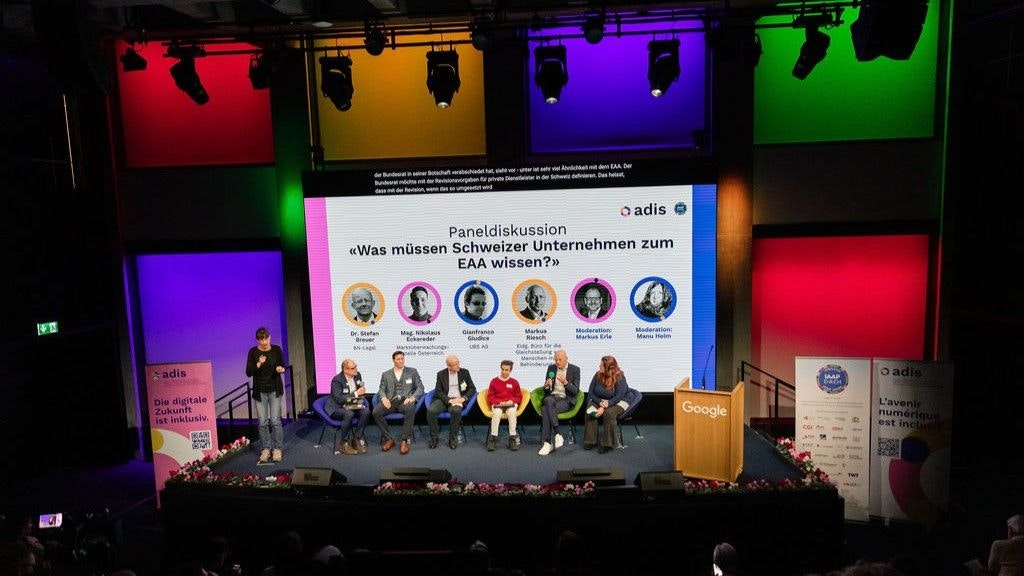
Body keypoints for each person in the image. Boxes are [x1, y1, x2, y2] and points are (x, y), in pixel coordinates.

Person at [245, 327, 286, 463]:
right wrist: (258, 363)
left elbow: (282, 365)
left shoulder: (276, 350)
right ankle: (266, 449)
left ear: (269, 337)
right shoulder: (253, 352)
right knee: (262, 422)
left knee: (275, 420)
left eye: (266, 338)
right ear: (257, 340)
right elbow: (248, 372)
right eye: (261, 339)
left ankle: (277, 448)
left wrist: (280, 369)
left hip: (274, 389)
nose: (264, 342)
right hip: (260, 391)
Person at [372, 350, 424, 455]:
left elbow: (420, 387)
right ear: (393, 360)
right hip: (391, 401)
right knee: (375, 412)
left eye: (402, 358)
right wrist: (383, 398)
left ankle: (404, 440)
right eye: (398, 359)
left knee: (410, 408)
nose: (401, 361)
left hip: (405, 401)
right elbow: (381, 389)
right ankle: (389, 439)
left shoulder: (412, 372)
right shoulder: (386, 374)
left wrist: (413, 398)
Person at [537, 349, 581, 456]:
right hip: (552, 397)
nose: (557, 362)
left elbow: (576, 391)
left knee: (545, 409)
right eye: (556, 359)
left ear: (566, 359)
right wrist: (547, 386)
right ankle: (557, 434)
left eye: (560, 359)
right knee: (548, 399)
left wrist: (566, 383)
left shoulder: (575, 369)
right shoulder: (551, 368)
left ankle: (547, 443)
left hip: (566, 399)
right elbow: (546, 391)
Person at [427, 355, 476, 449]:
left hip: (458, 399)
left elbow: (472, 388)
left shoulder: (464, 372)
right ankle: (434, 437)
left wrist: (463, 398)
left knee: (456, 411)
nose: (458, 366)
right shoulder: (441, 374)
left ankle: (453, 438)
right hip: (444, 399)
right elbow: (438, 391)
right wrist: (449, 400)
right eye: (455, 364)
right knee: (431, 411)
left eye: (458, 363)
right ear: (448, 366)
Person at [582, 355, 628, 453]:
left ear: (608, 368)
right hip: (600, 400)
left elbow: (619, 396)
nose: (599, 366)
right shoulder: (598, 374)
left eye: (602, 365)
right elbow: (591, 392)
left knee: (609, 413)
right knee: (590, 410)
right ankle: (590, 440)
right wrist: (599, 402)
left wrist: (606, 405)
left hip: (618, 401)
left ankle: (608, 443)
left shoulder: (619, 376)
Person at [325, 358, 369, 455]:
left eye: (356, 366)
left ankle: (356, 439)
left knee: (366, 411)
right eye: (353, 368)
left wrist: (360, 397)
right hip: (336, 407)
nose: (356, 369)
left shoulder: (358, 376)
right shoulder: (337, 380)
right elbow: (339, 399)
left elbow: (361, 392)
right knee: (349, 414)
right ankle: (343, 443)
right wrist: (357, 393)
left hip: (351, 404)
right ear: (345, 370)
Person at [485, 360, 522, 451]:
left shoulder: (514, 382)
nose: (504, 372)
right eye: (503, 369)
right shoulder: (494, 381)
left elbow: (518, 397)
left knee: (512, 411)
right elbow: (490, 397)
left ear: (510, 371)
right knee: (497, 412)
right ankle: (493, 438)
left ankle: (512, 438)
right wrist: (499, 402)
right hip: (498, 404)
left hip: (510, 404)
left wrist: (511, 401)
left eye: (507, 370)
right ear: (500, 369)